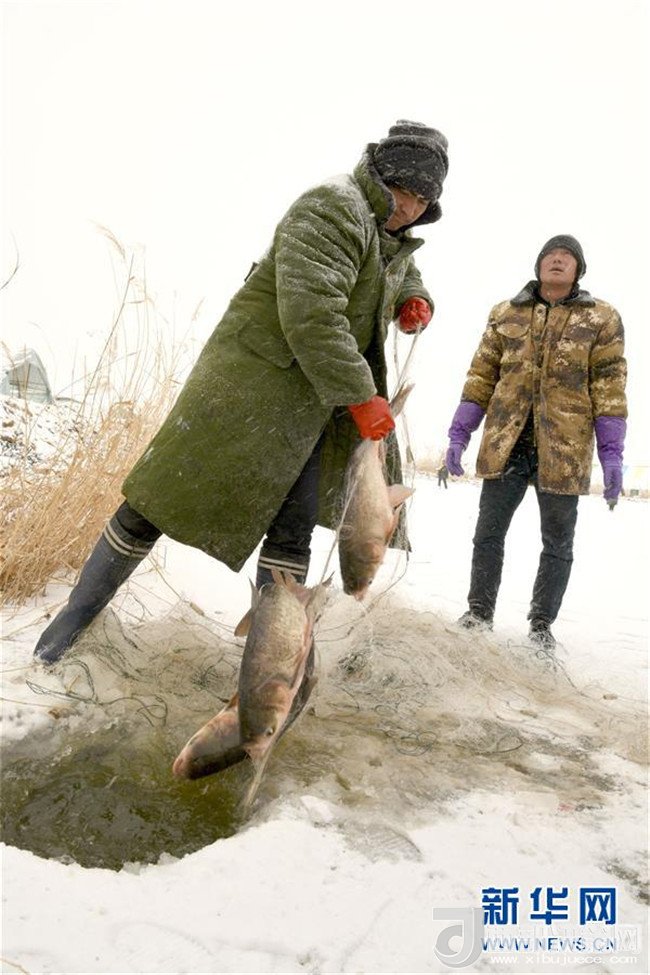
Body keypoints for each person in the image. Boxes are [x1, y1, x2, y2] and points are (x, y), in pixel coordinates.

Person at [35, 120, 449, 665]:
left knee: (292, 533)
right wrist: (360, 395)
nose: (409, 206)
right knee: (156, 503)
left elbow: (398, 269)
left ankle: (267, 671)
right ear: (381, 175)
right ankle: (67, 629)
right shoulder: (332, 207)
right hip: (249, 390)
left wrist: (415, 299)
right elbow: (313, 315)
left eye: (422, 199)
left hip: (312, 408)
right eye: (402, 190)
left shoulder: (385, 231)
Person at [445, 235, 627, 650]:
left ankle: (541, 626)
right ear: (539, 265)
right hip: (507, 442)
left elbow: (610, 387)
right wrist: (459, 433)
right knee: (488, 534)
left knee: (558, 543)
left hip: (564, 448)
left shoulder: (601, 318)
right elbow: (481, 376)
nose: (557, 260)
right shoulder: (505, 313)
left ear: (579, 270)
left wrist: (611, 454)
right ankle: (478, 612)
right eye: (550, 255)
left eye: (567, 256)